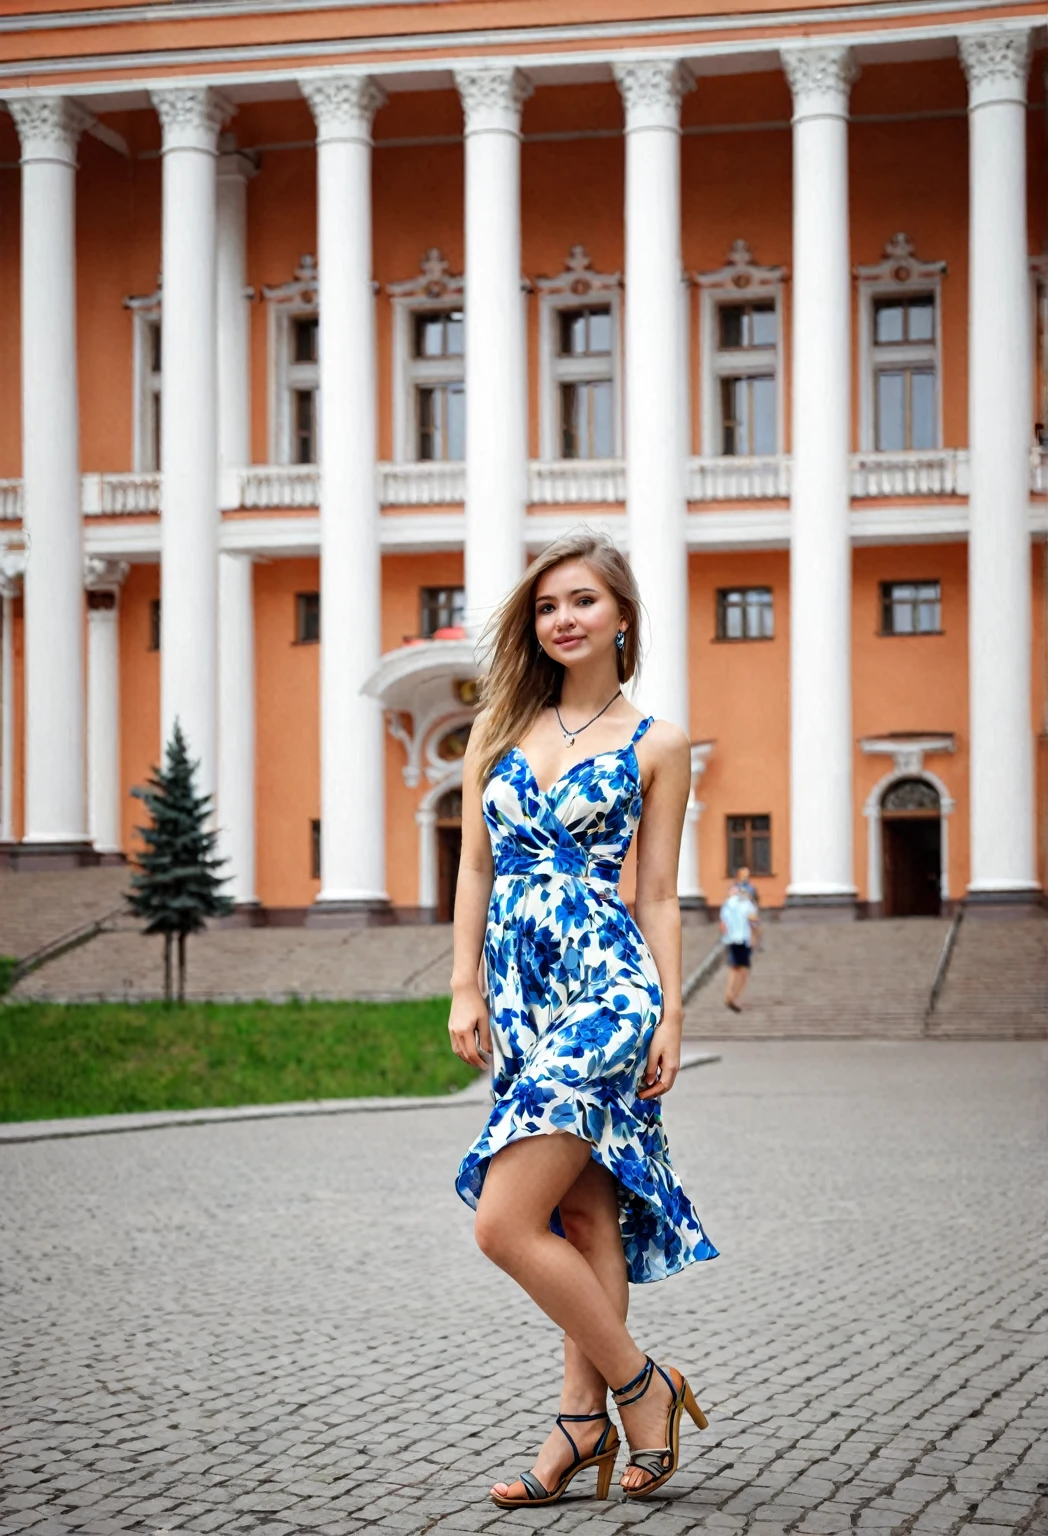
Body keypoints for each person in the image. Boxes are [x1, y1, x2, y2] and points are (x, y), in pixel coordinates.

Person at [448, 529, 717, 1509]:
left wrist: (670, 1017)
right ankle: (577, 1425)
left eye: (582, 602)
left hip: (608, 986)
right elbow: (474, 867)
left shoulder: (658, 741)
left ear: (622, 615)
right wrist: (463, 987)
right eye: (547, 606)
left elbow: (655, 894)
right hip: (520, 993)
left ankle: (642, 1390)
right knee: (579, 1209)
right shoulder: (496, 730)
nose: (562, 619)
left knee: (501, 1223)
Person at [720, 881, 759, 1013]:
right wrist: (755, 937)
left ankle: (729, 995)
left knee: (734, 968)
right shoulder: (747, 905)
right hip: (743, 939)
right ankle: (733, 997)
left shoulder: (728, 904)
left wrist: (726, 936)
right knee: (743, 970)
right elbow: (753, 922)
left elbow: (723, 924)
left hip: (732, 940)